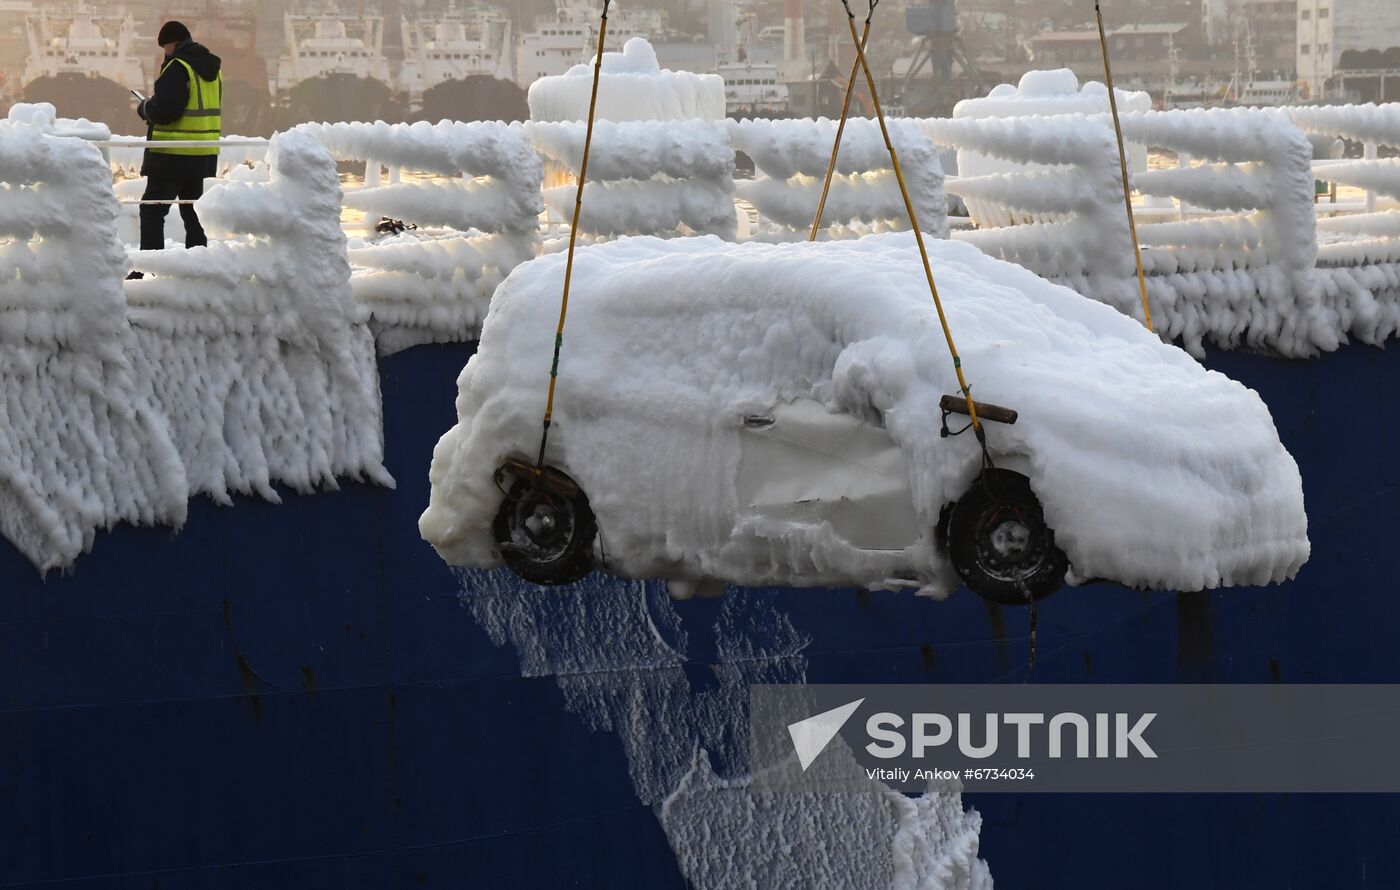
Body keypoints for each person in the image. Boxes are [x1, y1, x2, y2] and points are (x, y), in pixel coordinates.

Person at [134, 21, 222, 258]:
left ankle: (151, 268)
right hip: (200, 154)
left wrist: (145, 108)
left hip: (172, 156)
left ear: (172, 43)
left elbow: (166, 111)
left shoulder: (177, 67)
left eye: (165, 47)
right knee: (192, 211)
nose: (165, 52)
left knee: (151, 210)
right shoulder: (211, 69)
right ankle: (198, 263)